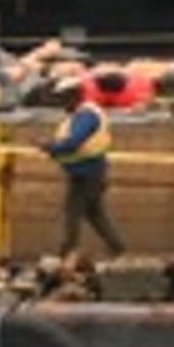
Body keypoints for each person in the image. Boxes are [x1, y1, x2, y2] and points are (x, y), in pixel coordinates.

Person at [43, 80, 121, 280]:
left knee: (73, 213)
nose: (60, 104)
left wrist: (51, 148)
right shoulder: (79, 115)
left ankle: (66, 254)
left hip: (88, 174)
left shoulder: (86, 116)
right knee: (94, 213)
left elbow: (74, 142)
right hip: (85, 173)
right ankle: (118, 249)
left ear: (73, 96)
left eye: (62, 99)